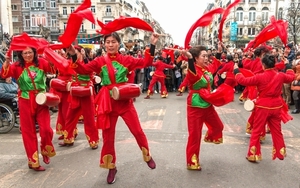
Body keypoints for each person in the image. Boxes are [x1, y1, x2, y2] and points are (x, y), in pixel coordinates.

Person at [66, 32, 159, 184]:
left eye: (113, 42)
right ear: (104, 44)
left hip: (123, 100)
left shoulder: (126, 59)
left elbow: (146, 62)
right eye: (107, 42)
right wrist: (73, 55)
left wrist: (153, 44)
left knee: (137, 131)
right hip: (107, 103)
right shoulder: (99, 61)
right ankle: (111, 167)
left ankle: (147, 155)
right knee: (108, 138)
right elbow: (82, 70)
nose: (110, 45)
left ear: (118, 44)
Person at [1, 47, 56, 171]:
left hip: (41, 99)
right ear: (21, 54)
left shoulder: (42, 62)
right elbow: (4, 75)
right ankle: (33, 161)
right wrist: (6, 61)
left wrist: (53, 56)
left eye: (30, 52)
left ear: (34, 53)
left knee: (46, 129)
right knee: (28, 132)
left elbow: (54, 69)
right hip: (25, 100)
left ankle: (46, 150)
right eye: (24, 53)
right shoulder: (16, 66)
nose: (27, 55)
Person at [235, 54, 295, 162]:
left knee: (256, 130)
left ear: (263, 65)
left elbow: (243, 81)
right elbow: (291, 77)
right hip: (276, 106)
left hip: (263, 106)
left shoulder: (260, 76)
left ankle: (252, 154)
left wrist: (236, 71)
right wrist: (289, 65)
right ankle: (280, 152)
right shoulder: (280, 75)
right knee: (277, 130)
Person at [181, 44, 227, 171]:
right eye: (204, 56)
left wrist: (218, 53)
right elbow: (191, 72)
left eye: (207, 56)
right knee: (194, 136)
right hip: (195, 106)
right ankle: (192, 161)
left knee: (218, 126)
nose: (207, 58)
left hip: (207, 104)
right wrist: (189, 59)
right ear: (196, 58)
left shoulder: (206, 69)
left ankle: (209, 136)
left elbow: (215, 66)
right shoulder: (193, 71)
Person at [58, 45, 99, 149]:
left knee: (89, 118)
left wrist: (85, 58)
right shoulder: (71, 63)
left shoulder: (87, 63)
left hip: (85, 93)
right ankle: (68, 139)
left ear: (81, 53)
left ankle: (93, 141)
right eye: (73, 53)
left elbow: (87, 70)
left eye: (76, 52)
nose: (74, 55)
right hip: (75, 93)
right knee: (70, 117)